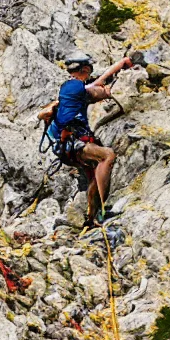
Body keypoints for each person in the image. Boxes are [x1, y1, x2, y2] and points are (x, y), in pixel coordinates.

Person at [50, 52, 133, 226]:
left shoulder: (72, 87)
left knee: (95, 173)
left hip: (69, 143)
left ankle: (92, 217)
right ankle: (102, 210)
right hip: (74, 142)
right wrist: (105, 92)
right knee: (108, 155)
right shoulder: (76, 87)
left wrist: (122, 63)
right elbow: (97, 91)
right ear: (86, 68)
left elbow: (98, 83)